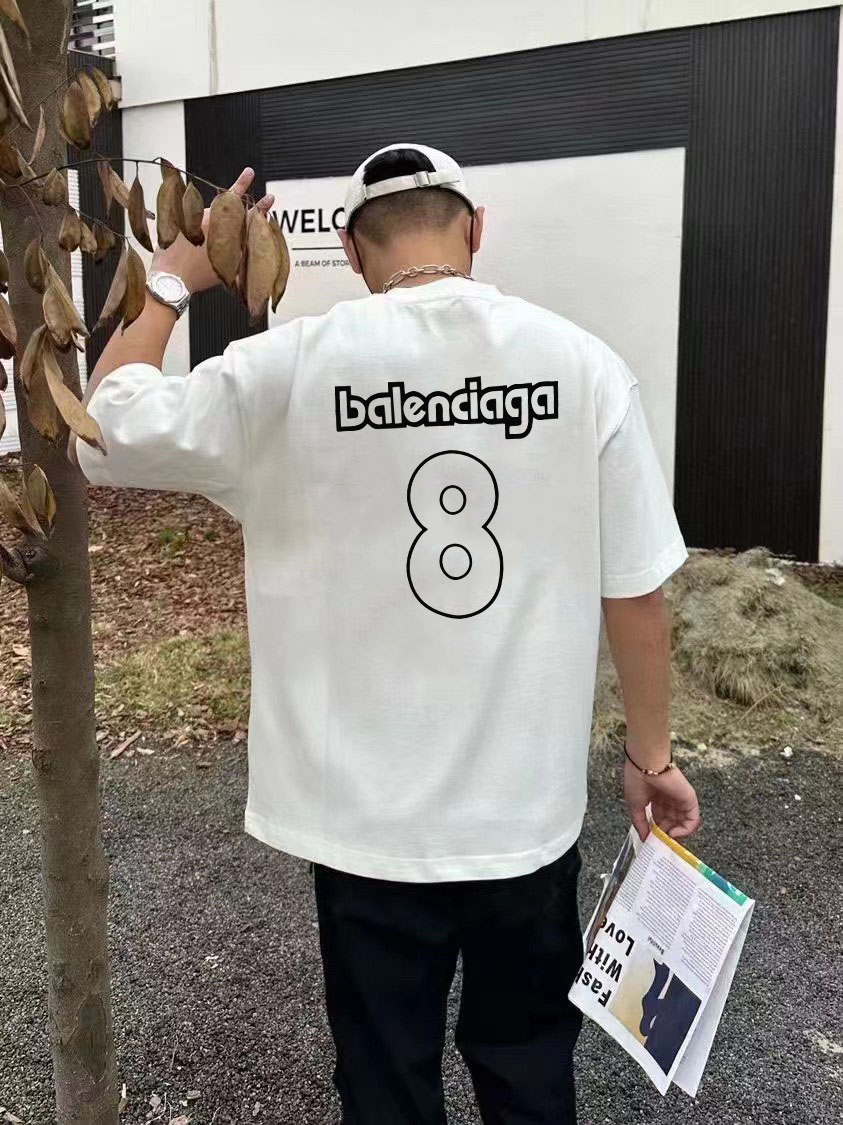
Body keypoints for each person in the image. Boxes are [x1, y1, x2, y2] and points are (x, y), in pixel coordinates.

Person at [74, 143, 701, 1124]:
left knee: (385, 1081)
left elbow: (105, 425)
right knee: (529, 1065)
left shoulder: (290, 369)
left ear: (352, 248)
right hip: (524, 821)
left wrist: (171, 279)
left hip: (363, 829)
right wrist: (649, 759)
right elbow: (637, 592)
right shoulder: (581, 367)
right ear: (475, 230)